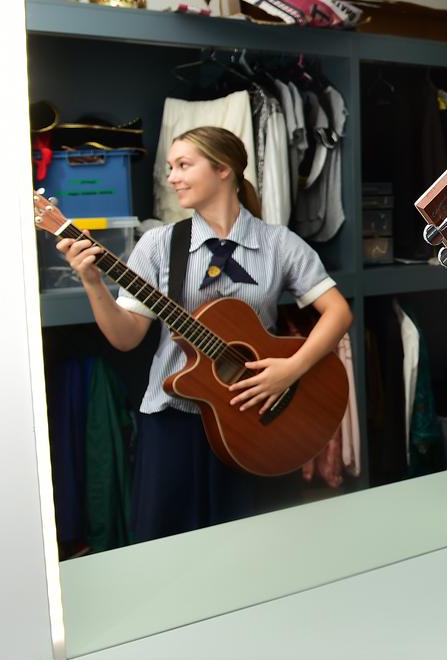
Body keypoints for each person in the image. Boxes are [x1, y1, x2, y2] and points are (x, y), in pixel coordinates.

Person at [59, 126, 352, 544]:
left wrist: (291, 369)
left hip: (256, 419)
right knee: (167, 552)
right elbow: (125, 338)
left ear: (223, 170)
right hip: (174, 423)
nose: (172, 177)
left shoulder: (278, 243)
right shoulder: (158, 245)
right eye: (170, 167)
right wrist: (92, 282)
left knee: (256, 548)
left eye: (183, 165)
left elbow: (337, 312)